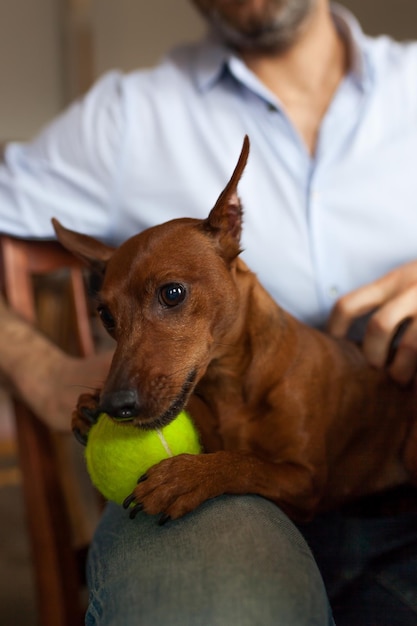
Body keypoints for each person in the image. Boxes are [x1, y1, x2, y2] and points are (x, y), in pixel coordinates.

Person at [2, 0, 417, 623]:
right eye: (117, 321)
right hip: (225, 521)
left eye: (172, 296)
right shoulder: (124, 115)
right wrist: (35, 366)